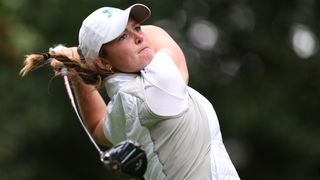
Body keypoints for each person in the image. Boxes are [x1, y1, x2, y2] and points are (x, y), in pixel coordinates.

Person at [20, 3, 240, 180]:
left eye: (136, 28)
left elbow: (97, 125)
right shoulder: (159, 82)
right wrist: (81, 60)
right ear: (104, 63)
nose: (139, 37)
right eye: (122, 36)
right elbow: (159, 34)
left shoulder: (122, 102)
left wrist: (78, 70)